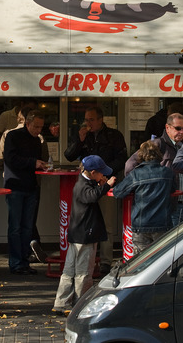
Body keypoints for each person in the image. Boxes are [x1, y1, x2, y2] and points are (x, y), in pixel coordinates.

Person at [64, 106, 127, 274]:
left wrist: (104, 176)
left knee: (106, 223)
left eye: (91, 119)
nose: (88, 123)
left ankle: (105, 262)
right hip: (86, 184)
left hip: (105, 183)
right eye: (86, 119)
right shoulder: (84, 135)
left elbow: (122, 159)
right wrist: (80, 140)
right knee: (84, 220)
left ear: (100, 119)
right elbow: (68, 155)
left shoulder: (114, 135)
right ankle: (87, 260)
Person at [52, 155, 115, 316]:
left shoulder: (82, 182)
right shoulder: (83, 187)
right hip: (85, 234)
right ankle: (80, 303)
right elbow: (91, 196)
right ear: (93, 172)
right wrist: (106, 186)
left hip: (77, 233)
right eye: (101, 173)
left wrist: (99, 184)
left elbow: (91, 193)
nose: (104, 176)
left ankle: (61, 303)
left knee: (69, 271)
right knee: (84, 271)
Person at [125, 113, 183, 226]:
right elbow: (130, 164)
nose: (182, 132)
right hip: (168, 205)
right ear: (167, 127)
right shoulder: (157, 144)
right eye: (178, 128)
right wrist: (143, 189)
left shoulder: (181, 146)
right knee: (172, 242)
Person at [3, 110, 47, 275]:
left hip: (30, 186)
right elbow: (10, 159)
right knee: (16, 227)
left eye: (41, 127)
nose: (38, 130)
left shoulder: (37, 140)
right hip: (15, 186)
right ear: (27, 123)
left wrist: (38, 164)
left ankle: (24, 260)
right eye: (36, 126)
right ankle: (16, 262)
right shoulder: (12, 136)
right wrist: (33, 163)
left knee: (27, 227)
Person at [113, 141, 174, 254]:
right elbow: (173, 190)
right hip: (162, 223)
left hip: (142, 224)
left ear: (141, 156)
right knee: (162, 258)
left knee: (142, 262)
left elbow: (118, 192)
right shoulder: (167, 173)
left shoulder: (137, 173)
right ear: (158, 155)